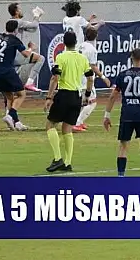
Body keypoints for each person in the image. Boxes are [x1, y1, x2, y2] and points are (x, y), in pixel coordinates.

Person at [103, 48, 140, 177]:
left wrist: (107, 115)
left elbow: (113, 96)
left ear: (131, 58)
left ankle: (121, 176)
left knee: (123, 146)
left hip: (127, 113)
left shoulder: (122, 75)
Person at [43, 31, 93, 173]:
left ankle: (58, 158)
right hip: (76, 97)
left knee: (50, 125)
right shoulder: (82, 58)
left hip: (64, 94)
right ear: (75, 43)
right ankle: (68, 162)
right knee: (67, 129)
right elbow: (90, 78)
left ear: (64, 43)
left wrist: (49, 97)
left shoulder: (61, 57)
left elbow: (55, 78)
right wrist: (87, 94)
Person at [0, 19, 34, 131]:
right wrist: (31, 48)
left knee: (9, 97)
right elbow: (26, 54)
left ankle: (16, 122)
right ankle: (10, 115)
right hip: (7, 71)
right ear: (16, 29)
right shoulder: (14, 39)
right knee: (22, 94)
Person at [74, 26, 111, 131]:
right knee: (92, 102)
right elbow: (93, 66)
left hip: (77, 76)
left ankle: (78, 121)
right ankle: (77, 123)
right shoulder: (92, 49)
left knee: (83, 101)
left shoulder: (80, 46)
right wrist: (104, 77)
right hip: (86, 78)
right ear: (96, 37)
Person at [7, 2, 45, 92]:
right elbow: (34, 25)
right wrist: (36, 15)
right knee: (40, 58)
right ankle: (29, 83)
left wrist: (37, 18)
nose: (21, 11)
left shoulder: (10, 22)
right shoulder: (19, 22)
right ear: (16, 12)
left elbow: (33, 28)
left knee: (13, 86)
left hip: (10, 55)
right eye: (19, 9)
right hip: (17, 54)